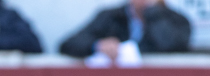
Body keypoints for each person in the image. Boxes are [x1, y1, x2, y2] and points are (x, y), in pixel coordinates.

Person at [59, 0, 191, 60]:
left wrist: (153, 12)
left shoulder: (177, 20)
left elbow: (171, 45)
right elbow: (68, 44)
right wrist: (97, 46)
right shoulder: (111, 17)